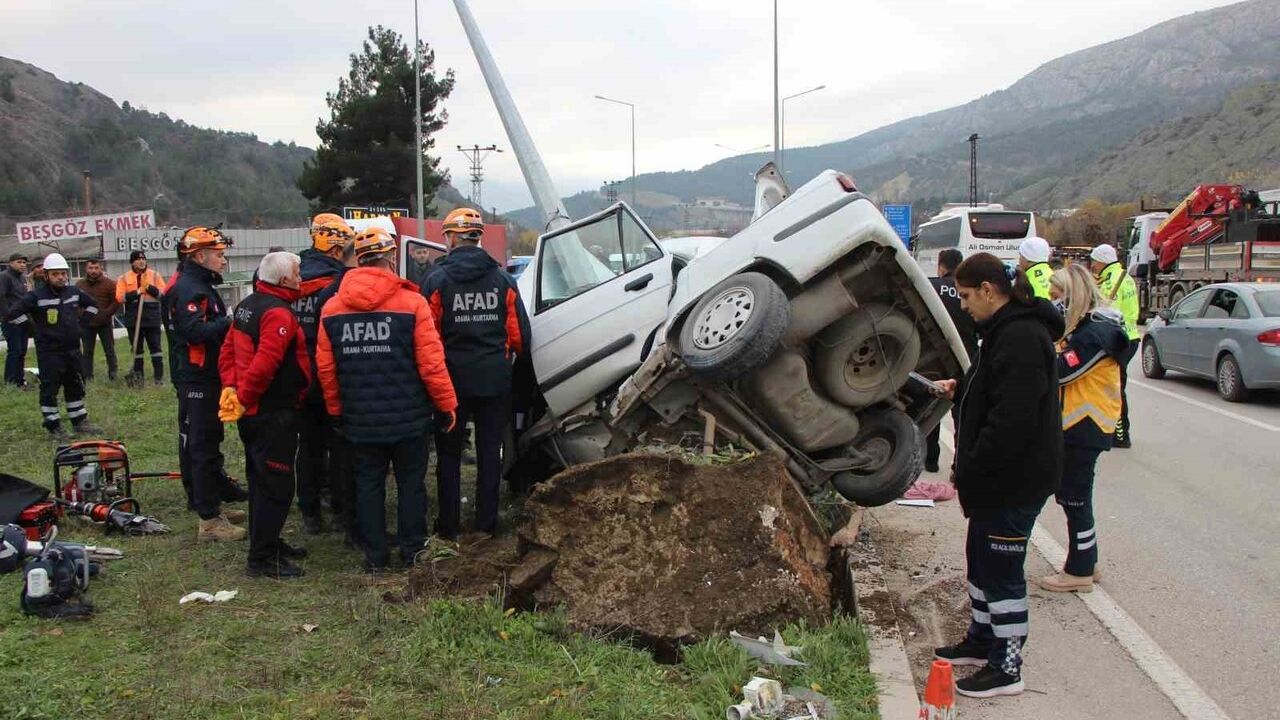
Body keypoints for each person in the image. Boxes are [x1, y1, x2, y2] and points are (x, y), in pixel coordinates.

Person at [932, 252, 1063, 699]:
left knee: (1003, 571)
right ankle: (982, 640)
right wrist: (961, 389)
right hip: (994, 479)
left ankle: (1007, 666)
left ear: (989, 290)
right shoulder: (1001, 332)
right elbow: (992, 387)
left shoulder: (1022, 337)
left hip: (1013, 478)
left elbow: (1012, 420)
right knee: (982, 561)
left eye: (967, 296)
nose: (963, 304)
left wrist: (972, 465)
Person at [316, 227, 458, 572]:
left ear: (359, 260)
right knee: (411, 484)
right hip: (409, 416)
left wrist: (336, 411)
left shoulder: (333, 308)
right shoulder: (412, 303)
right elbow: (431, 363)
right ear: (392, 258)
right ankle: (412, 551)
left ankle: (375, 557)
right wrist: (446, 404)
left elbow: (327, 369)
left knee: (368, 485)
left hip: (359, 417)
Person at [422, 207, 530, 539]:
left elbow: (428, 336)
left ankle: (449, 525)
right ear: (478, 237)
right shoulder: (503, 280)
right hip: (494, 381)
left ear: (452, 237)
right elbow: (519, 336)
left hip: (451, 383)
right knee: (489, 454)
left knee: (450, 455)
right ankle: (486, 523)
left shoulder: (437, 280)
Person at [219, 252, 312, 578]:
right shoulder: (277, 314)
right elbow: (265, 364)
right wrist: (243, 397)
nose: (301, 278)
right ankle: (261, 559)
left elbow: (228, 349)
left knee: (260, 482)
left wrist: (231, 388)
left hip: (255, 412)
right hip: (272, 412)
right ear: (285, 280)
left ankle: (268, 542)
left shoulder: (249, 304)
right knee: (277, 485)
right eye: (298, 273)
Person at [1038, 264, 1127, 594]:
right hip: (1079, 424)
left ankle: (1079, 571)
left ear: (1072, 296)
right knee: (1074, 496)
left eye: (1056, 296)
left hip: (1085, 425)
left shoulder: (1094, 334)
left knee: (1076, 498)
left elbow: (1063, 371)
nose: (1052, 302)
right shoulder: (1084, 328)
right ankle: (1086, 559)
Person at [163, 227, 245, 542]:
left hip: (204, 373)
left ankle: (212, 502)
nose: (224, 261)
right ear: (200, 255)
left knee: (208, 438)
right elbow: (194, 332)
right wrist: (230, 322)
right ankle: (209, 519)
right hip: (196, 375)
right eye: (220, 255)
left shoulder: (198, 284)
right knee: (200, 443)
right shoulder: (188, 289)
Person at [290, 213, 356, 534]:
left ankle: (310, 511)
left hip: (297, 377)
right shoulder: (337, 284)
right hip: (330, 376)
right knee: (339, 445)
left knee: (308, 446)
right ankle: (341, 508)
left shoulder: (291, 277)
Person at [2, 253, 100, 438]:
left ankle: (79, 421)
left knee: (75, 384)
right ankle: (53, 425)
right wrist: (32, 329)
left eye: (63, 273)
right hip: (49, 352)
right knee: (50, 388)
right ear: (46, 276)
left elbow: (93, 306)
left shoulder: (74, 292)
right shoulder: (36, 296)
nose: (60, 277)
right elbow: (11, 315)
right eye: (55, 274)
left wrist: (81, 325)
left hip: (72, 349)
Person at [314, 238, 360, 547]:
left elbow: (325, 361)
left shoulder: (331, 298)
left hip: (347, 394)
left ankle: (350, 523)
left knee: (349, 462)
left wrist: (332, 403)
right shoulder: (404, 296)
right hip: (390, 399)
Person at [925, 248, 978, 473]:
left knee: (931, 409)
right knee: (963, 414)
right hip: (966, 359)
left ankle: (931, 460)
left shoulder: (931, 287)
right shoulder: (969, 292)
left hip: (934, 360)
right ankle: (959, 466)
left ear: (941, 266)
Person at [1090, 244, 1139, 448]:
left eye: (1094, 261)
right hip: (1131, 336)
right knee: (1116, 385)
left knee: (1115, 388)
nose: (1092, 265)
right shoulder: (1124, 277)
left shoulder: (1112, 282)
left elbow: (1108, 314)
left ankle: (1120, 434)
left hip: (1119, 340)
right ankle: (1116, 431)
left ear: (1102, 261)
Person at [115, 250, 167, 383]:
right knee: (137, 350)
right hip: (134, 318)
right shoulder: (124, 278)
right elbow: (120, 298)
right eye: (138, 259)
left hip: (152, 317)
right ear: (132, 262)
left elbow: (164, 295)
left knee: (156, 349)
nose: (142, 261)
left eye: (143, 258)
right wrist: (138, 291)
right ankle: (138, 378)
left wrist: (149, 288)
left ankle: (158, 378)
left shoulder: (154, 275)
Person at [76, 259, 120, 381]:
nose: (93, 271)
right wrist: (82, 315)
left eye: (96, 268)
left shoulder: (109, 284)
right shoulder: (80, 285)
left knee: (109, 350)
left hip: (104, 323)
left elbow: (116, 301)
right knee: (87, 352)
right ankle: (87, 376)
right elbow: (76, 302)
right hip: (86, 324)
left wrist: (106, 313)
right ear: (86, 269)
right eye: (91, 268)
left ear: (101, 268)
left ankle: (113, 374)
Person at [0, 252, 32, 387]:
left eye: (24, 263)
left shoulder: (23, 278)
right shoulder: (4, 276)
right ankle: (10, 381)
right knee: (15, 351)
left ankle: (20, 380)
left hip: (24, 319)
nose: (22, 265)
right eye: (19, 262)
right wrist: (8, 317)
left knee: (22, 351)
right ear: (11, 263)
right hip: (11, 321)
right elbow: (1, 298)